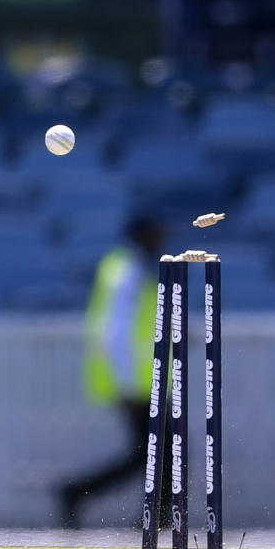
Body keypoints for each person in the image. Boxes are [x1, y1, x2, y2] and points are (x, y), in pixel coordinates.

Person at [58, 215, 171, 529]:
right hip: (135, 384)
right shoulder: (127, 272)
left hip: (144, 381)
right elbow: (114, 332)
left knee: (155, 453)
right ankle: (151, 518)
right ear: (143, 234)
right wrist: (125, 385)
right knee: (158, 453)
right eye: (157, 233)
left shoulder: (128, 268)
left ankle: (154, 518)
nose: (162, 239)